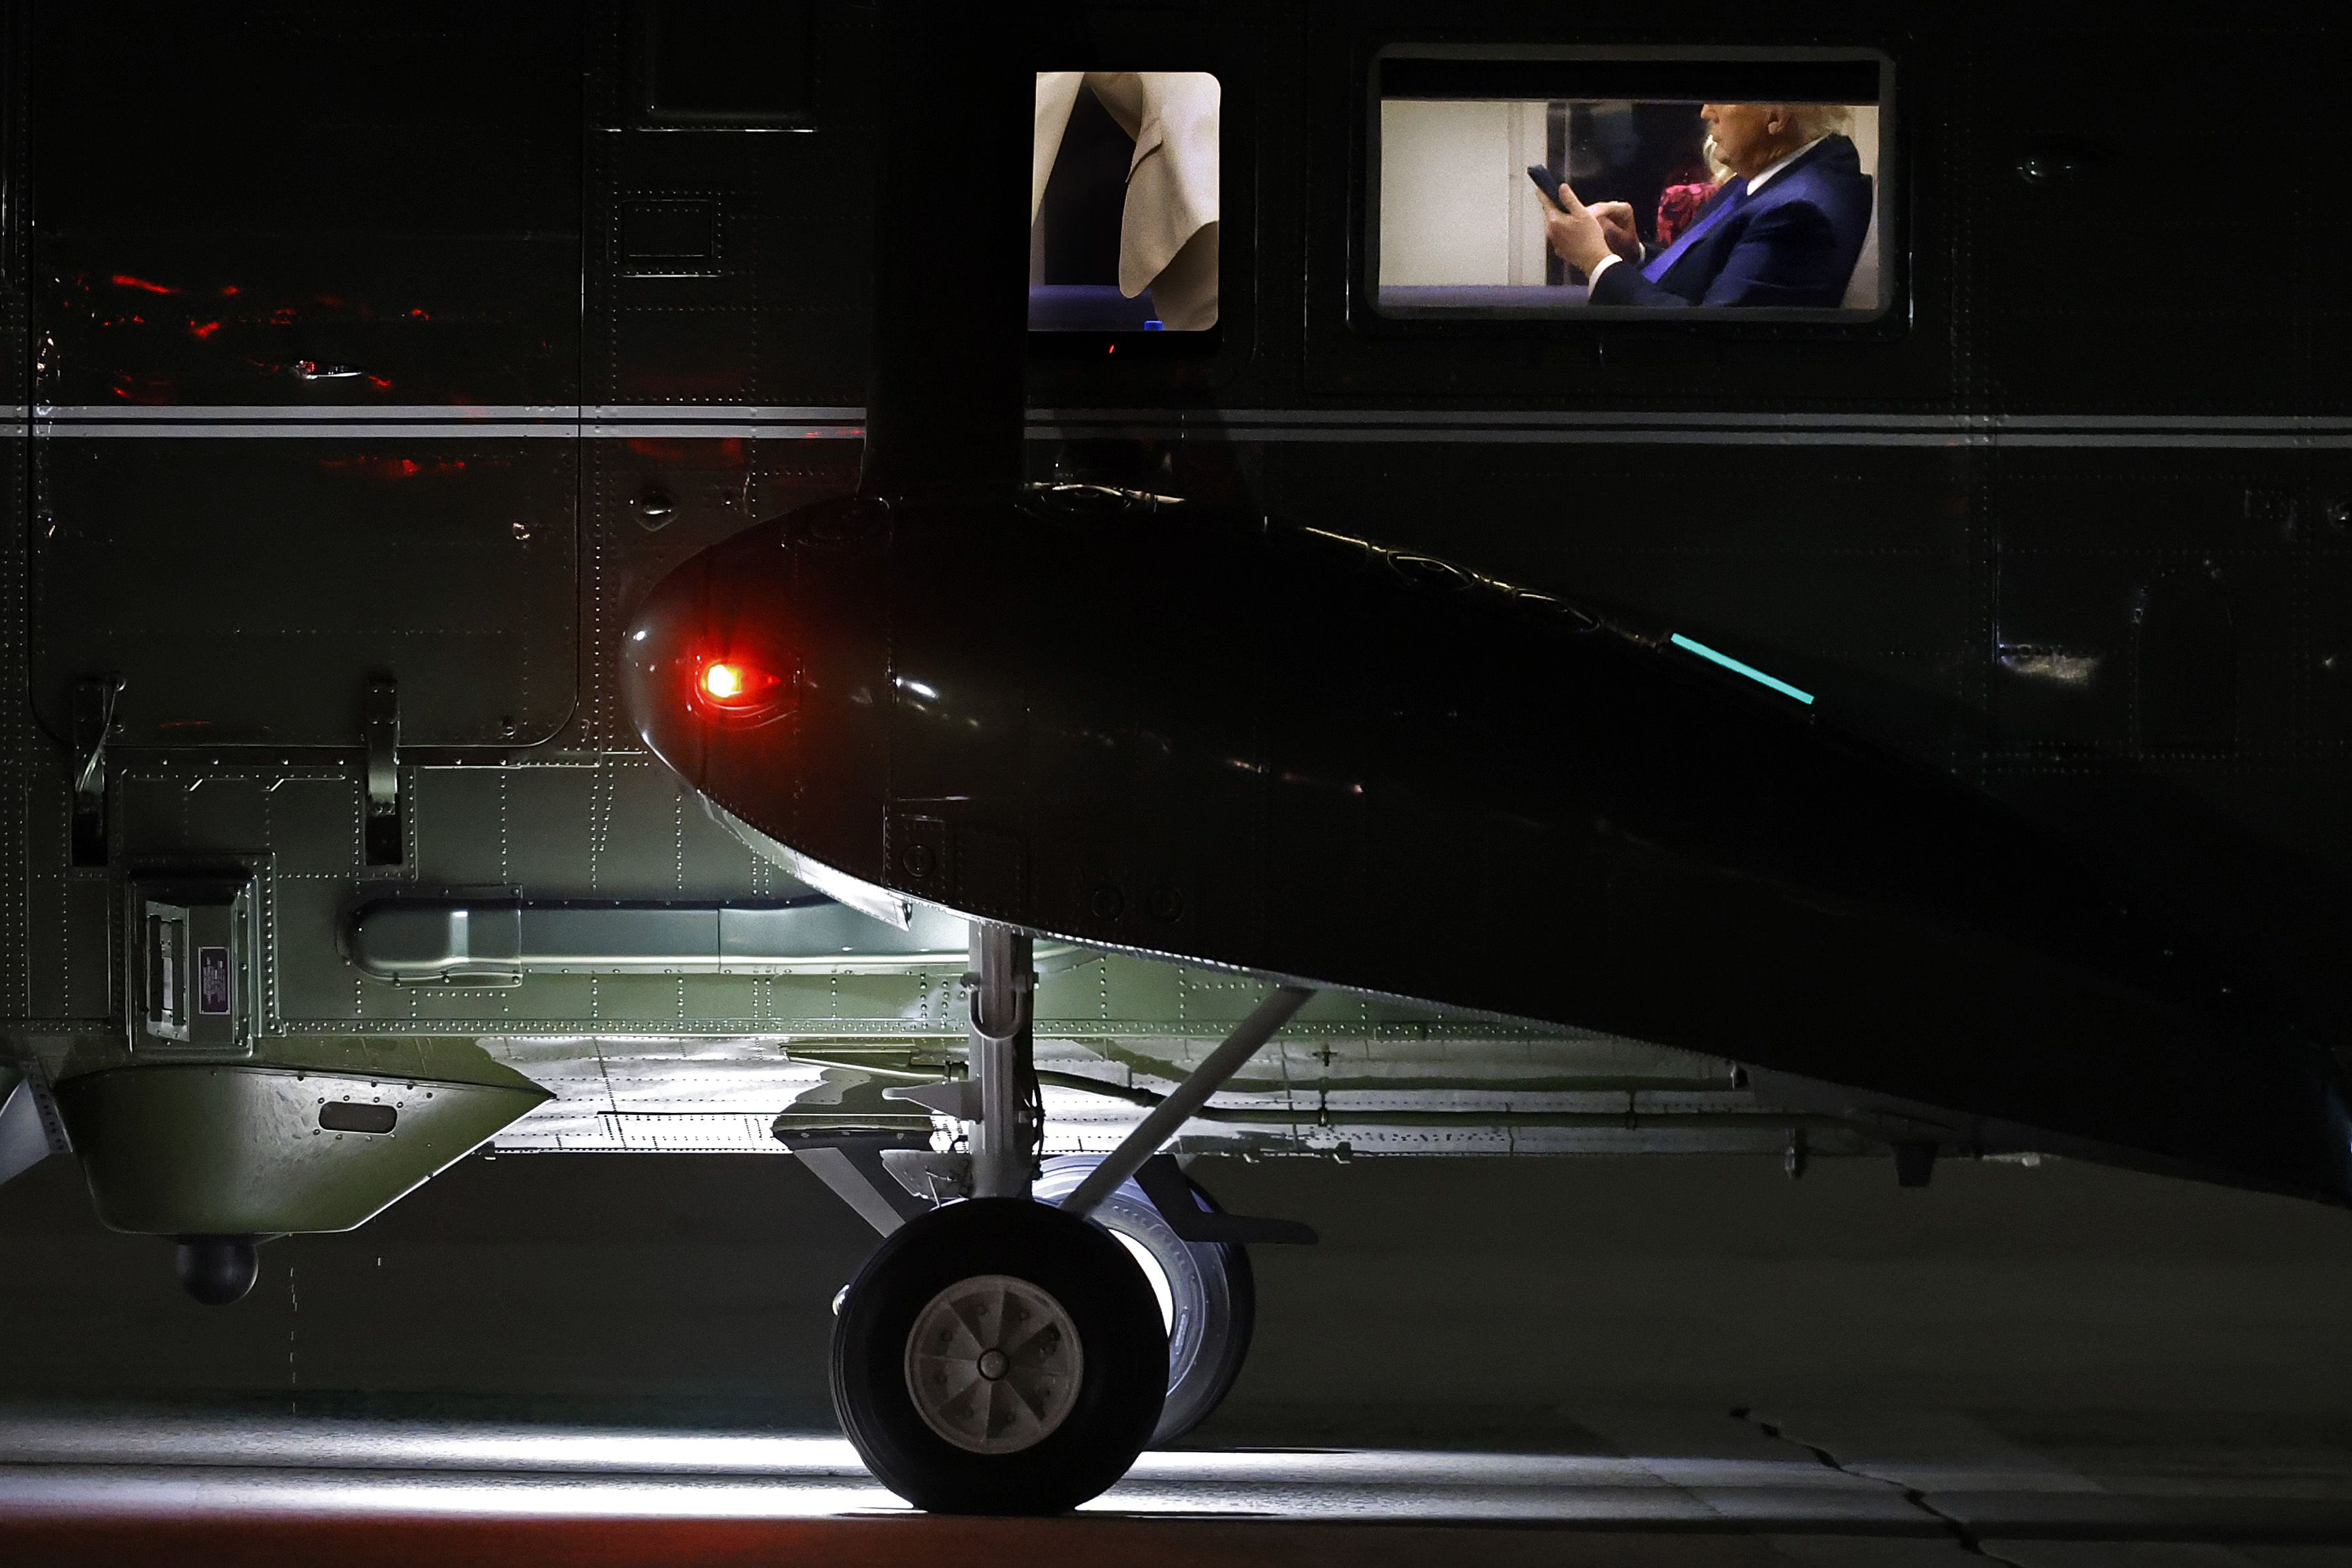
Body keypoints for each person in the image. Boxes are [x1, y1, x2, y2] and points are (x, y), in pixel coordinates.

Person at [1540, 103, 1872, 308]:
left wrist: (1596, 261)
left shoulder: (1796, 214)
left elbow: (1707, 341)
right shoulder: (1774, 174)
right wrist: (1633, 253)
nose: (1705, 112)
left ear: (1775, 116)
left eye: (1722, 98)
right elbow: (1709, 272)